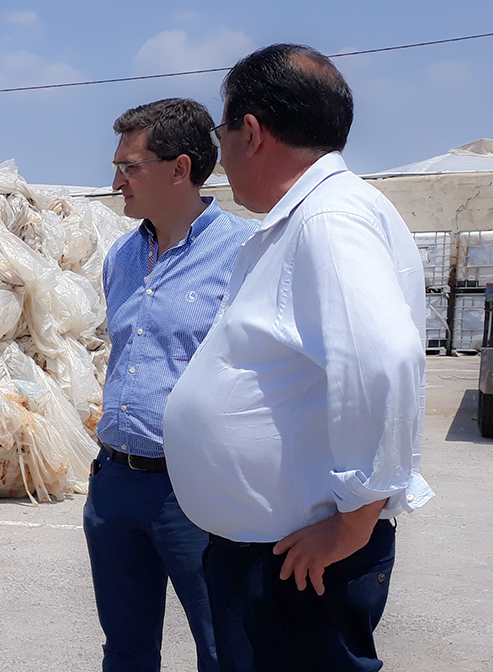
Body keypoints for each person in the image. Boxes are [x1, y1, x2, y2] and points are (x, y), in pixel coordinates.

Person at [163, 44, 435, 672]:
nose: (221, 154)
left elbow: (383, 360)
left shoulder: (327, 221)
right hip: (272, 556)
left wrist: (355, 519)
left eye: (222, 132)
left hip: (293, 565)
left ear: (251, 133)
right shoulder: (318, 216)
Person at [87, 98, 257, 672]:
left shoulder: (245, 253)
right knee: (126, 651)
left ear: (179, 168)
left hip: (197, 491)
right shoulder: (122, 257)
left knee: (224, 648)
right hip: (115, 484)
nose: (116, 182)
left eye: (129, 167)